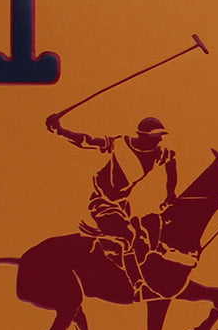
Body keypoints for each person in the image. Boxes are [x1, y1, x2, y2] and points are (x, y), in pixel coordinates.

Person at [45, 112, 178, 288]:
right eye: (156, 136)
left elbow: (171, 162)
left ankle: (145, 269)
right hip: (101, 202)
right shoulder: (120, 144)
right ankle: (136, 283)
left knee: (150, 230)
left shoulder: (159, 153)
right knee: (128, 237)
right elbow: (87, 141)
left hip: (123, 205)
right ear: (143, 136)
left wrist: (170, 193)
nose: (160, 139)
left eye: (161, 136)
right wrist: (60, 130)